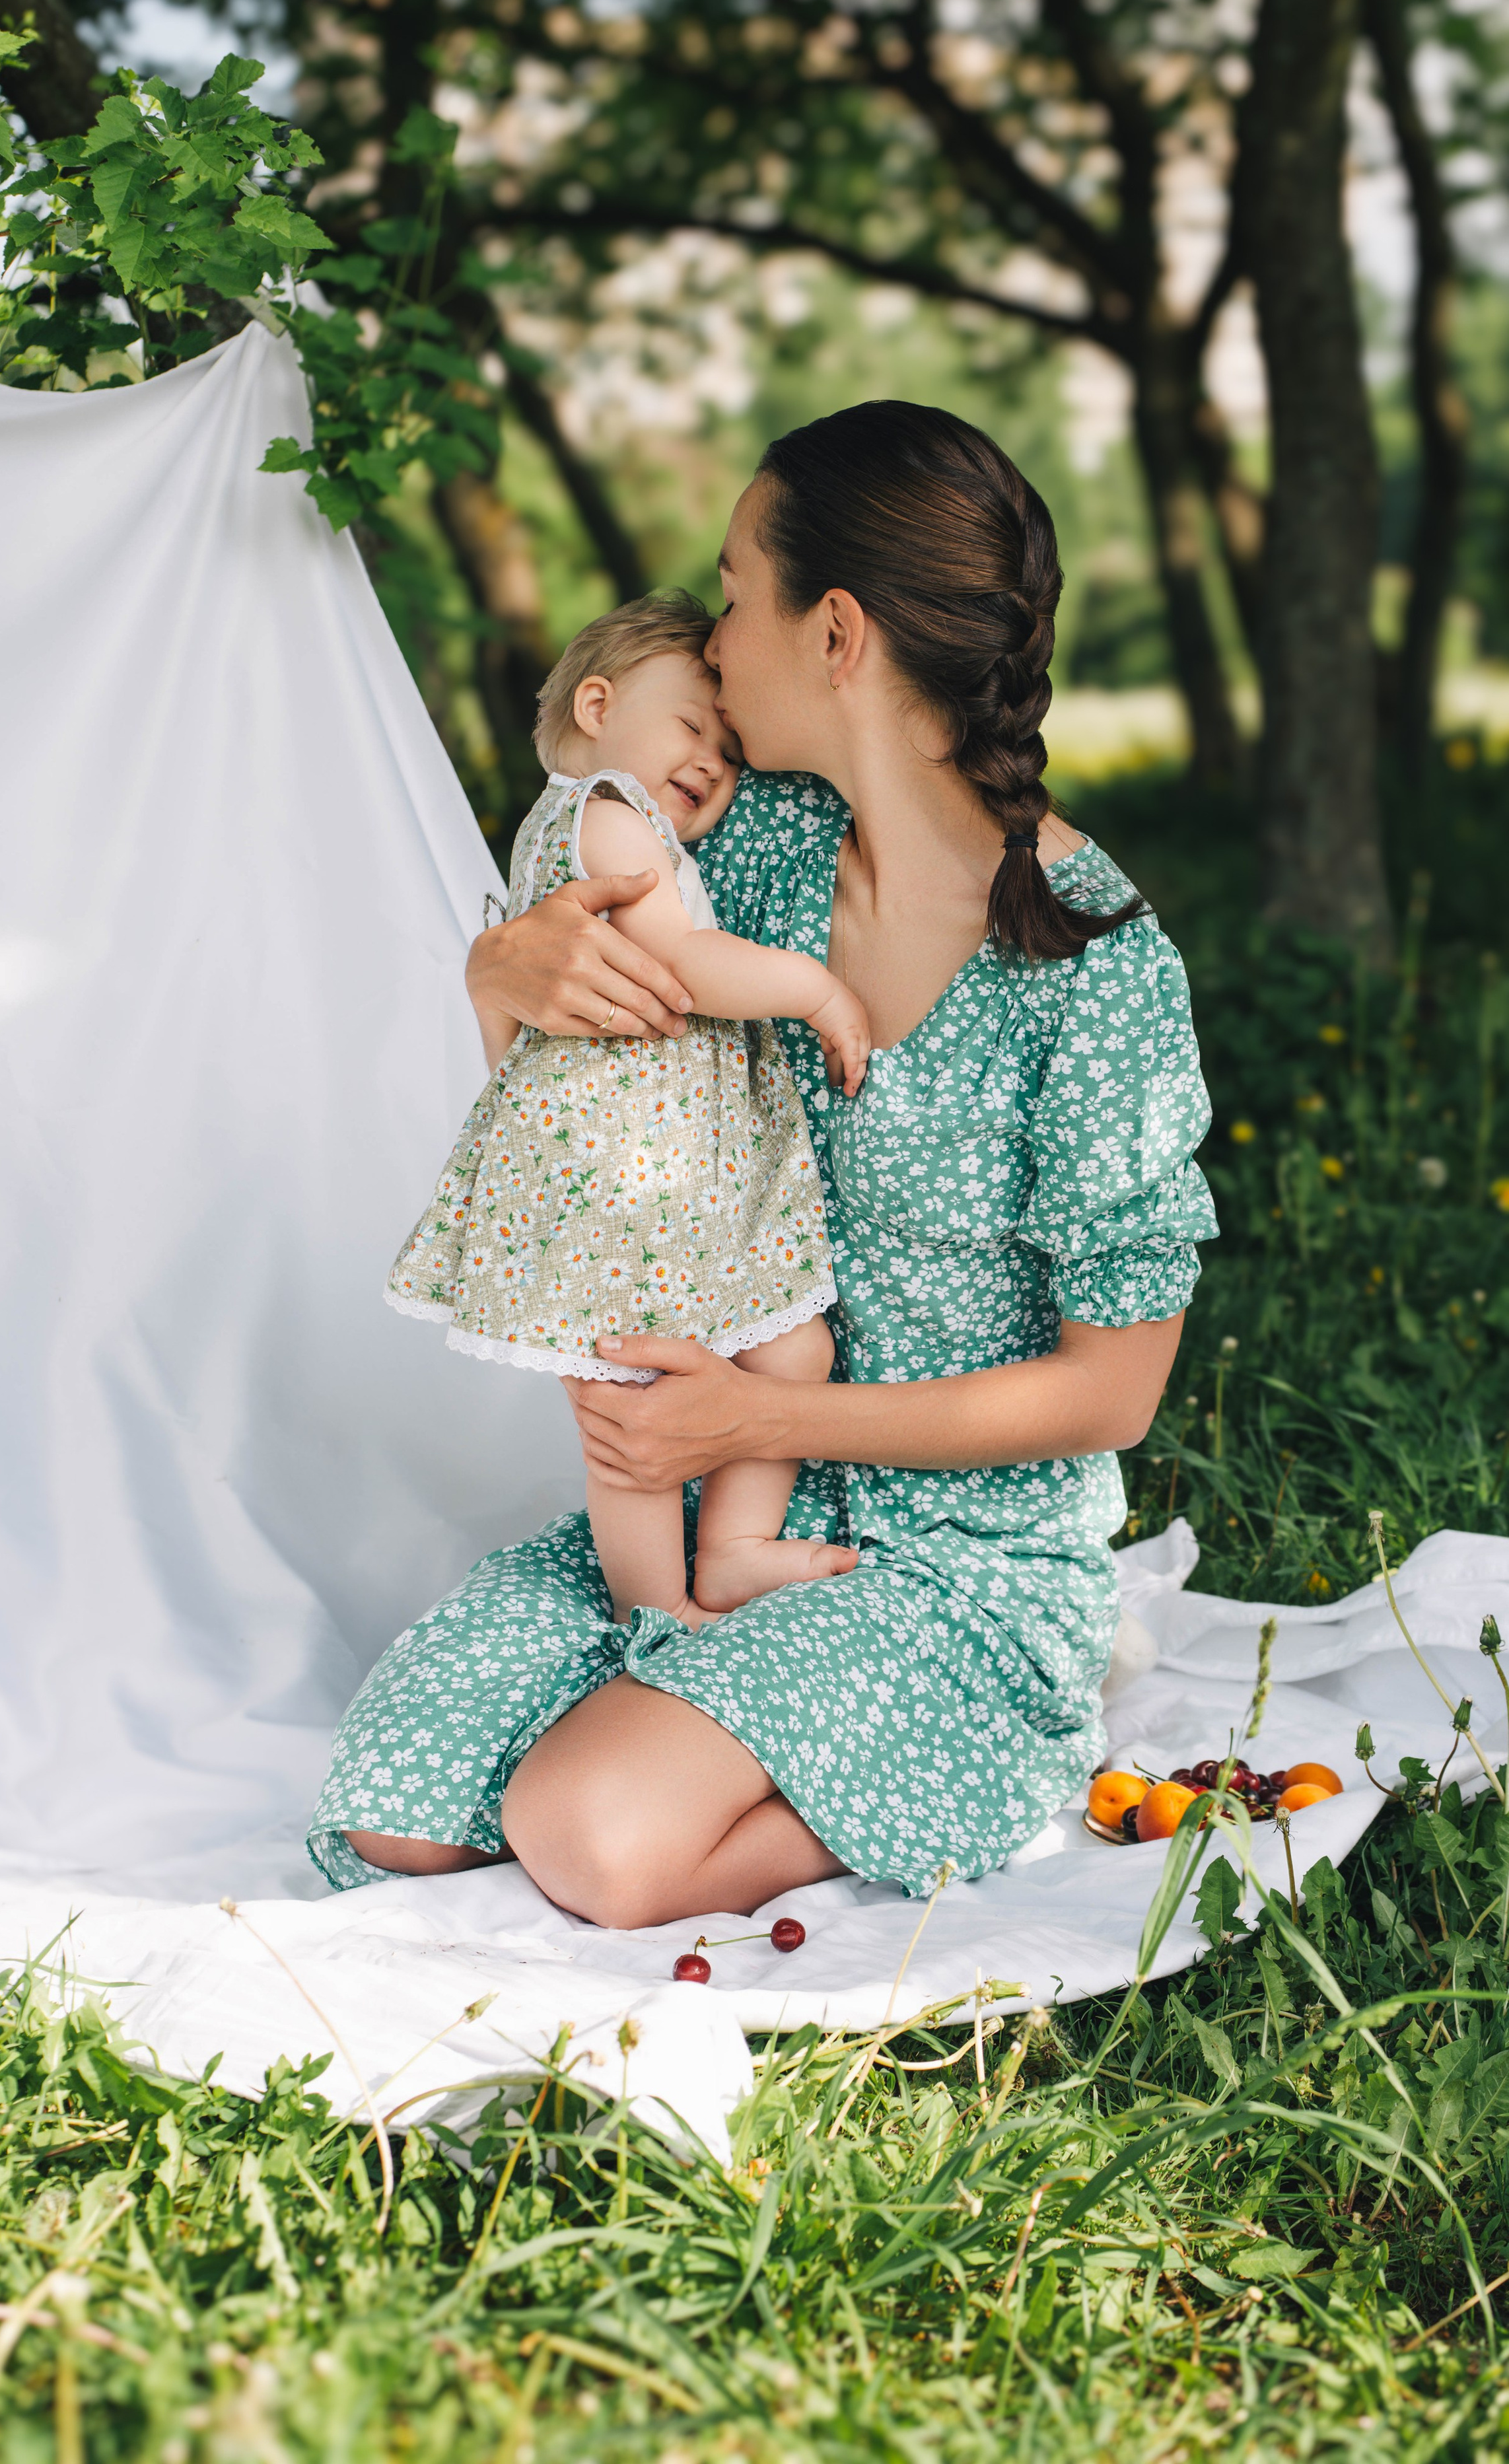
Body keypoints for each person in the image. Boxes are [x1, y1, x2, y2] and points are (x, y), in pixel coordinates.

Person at [306, 400, 1216, 1930]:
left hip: (951, 1563)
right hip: (722, 1492)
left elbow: (1111, 1389)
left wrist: (763, 1410)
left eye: (736, 592)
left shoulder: (1095, 966)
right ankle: (718, 1708)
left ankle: (990, 1739)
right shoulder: (754, 857)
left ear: (836, 632)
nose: (714, 641)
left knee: (587, 1832)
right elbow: (589, 1125)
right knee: (390, 1811)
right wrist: (501, 981)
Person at [386, 588, 870, 1631]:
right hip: (624, 1197)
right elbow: (686, 966)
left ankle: (735, 1547)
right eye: (693, 726)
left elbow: (515, 1045)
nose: (712, 761)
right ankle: (656, 1611)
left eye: (730, 752)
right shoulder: (605, 812)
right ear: (598, 705)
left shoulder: (601, 826)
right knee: (636, 1416)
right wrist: (815, 990)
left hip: (667, 1188)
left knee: (794, 1351)